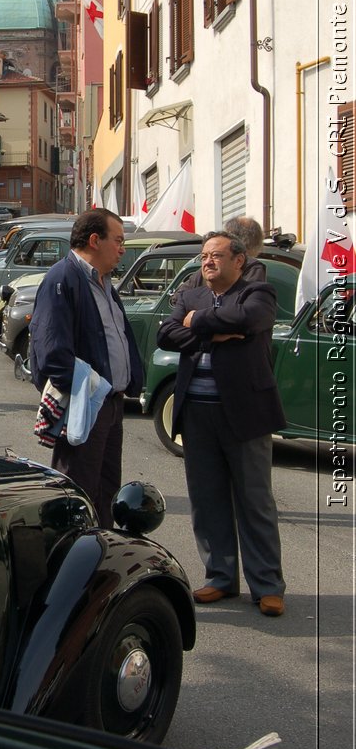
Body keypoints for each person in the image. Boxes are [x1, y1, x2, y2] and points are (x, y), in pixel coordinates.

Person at [156, 230, 286, 617]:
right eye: (204, 256)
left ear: (238, 261)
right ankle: (220, 577)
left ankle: (267, 585)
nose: (207, 261)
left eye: (215, 255)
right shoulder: (190, 294)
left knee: (254, 500)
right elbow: (166, 333)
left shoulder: (258, 292)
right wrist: (215, 333)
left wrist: (198, 323)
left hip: (245, 414)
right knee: (207, 498)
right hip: (197, 413)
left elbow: (249, 319)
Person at [28, 209, 143, 530]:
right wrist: (90, 391)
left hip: (111, 404)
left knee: (106, 490)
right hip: (86, 405)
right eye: (118, 240)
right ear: (95, 240)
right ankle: (76, 565)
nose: (123, 248)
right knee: (78, 493)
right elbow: (51, 352)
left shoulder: (103, 282)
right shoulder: (62, 279)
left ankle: (102, 559)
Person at [183, 216, 266, 288]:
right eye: (204, 256)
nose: (208, 261)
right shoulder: (253, 266)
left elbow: (176, 297)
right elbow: (252, 299)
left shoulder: (206, 268)